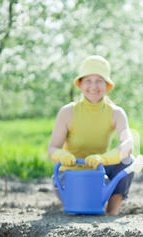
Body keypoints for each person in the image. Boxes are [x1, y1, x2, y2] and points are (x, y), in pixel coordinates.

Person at [48, 55, 134, 215]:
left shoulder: (116, 113)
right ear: (80, 84)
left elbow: (128, 144)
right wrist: (62, 155)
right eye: (88, 80)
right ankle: (81, 206)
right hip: (70, 174)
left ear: (107, 86)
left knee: (128, 160)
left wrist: (104, 159)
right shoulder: (68, 112)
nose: (93, 86)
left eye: (99, 80)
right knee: (82, 206)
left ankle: (111, 213)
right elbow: (52, 148)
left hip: (97, 168)